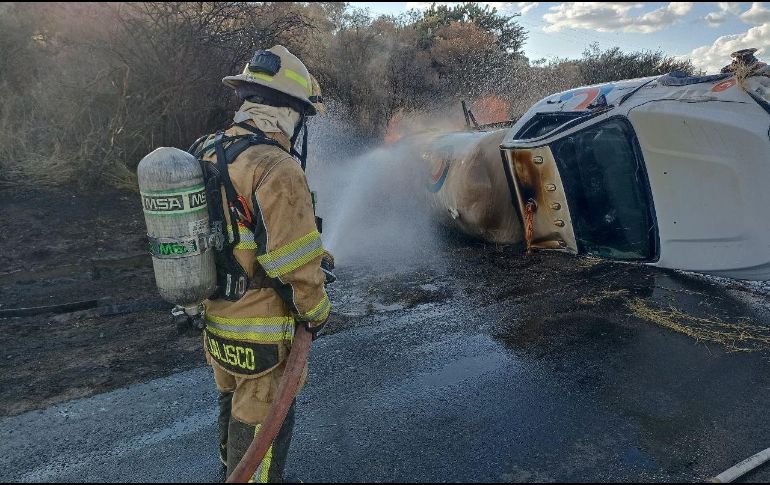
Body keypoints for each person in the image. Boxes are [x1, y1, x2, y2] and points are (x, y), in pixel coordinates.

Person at [192, 45, 331, 483]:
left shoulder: (208, 149)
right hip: (263, 331)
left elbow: (238, 235)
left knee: (232, 404)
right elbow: (293, 264)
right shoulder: (275, 165)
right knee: (263, 427)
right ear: (292, 111)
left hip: (217, 320)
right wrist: (317, 312)